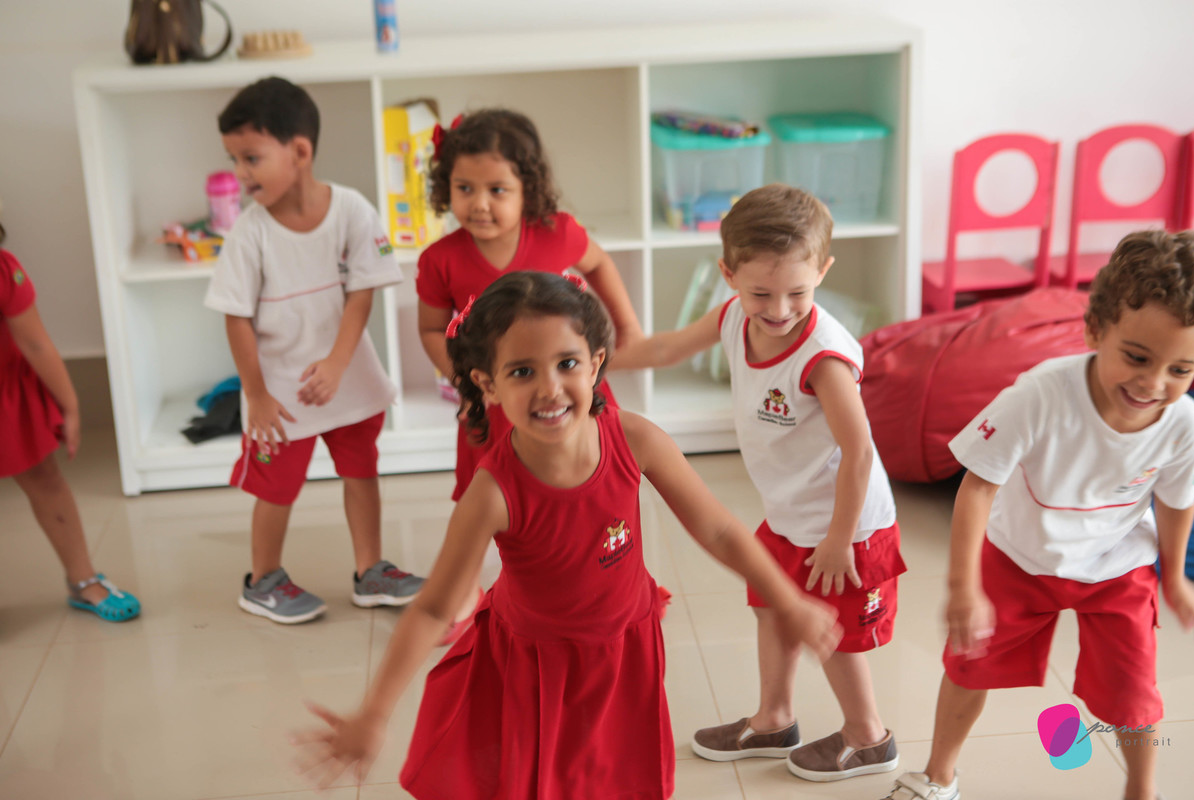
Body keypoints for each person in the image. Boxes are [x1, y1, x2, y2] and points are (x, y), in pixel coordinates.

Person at [293, 271, 841, 799]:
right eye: (522, 371)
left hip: (624, 650)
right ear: (488, 384)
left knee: (617, 779)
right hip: (534, 667)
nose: (550, 388)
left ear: (596, 363)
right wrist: (374, 713)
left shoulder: (636, 440)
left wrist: (788, 600)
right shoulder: (492, 493)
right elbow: (435, 609)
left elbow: (719, 529)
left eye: (567, 363)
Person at [882, 229, 1194, 800]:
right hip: (1019, 555)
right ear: (1095, 330)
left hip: (1117, 567)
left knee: (1135, 695)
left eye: (1181, 370)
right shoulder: (1040, 394)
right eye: (1137, 357)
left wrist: (1173, 578)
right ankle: (939, 775)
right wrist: (963, 585)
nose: (1154, 383)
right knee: (968, 663)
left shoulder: (1183, 424)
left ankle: (1142, 791)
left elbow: (1177, 501)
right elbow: (978, 487)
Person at [610, 184, 906, 782]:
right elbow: (664, 348)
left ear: (822, 271)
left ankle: (868, 736)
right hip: (792, 513)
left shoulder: (823, 357)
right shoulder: (730, 318)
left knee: (835, 633)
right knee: (771, 607)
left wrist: (839, 539)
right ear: (729, 276)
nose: (778, 309)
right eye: (760, 294)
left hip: (846, 525)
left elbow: (859, 452)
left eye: (797, 292)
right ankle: (774, 719)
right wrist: (589, 360)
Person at [414, 107, 647, 639]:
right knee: (478, 494)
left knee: (593, 484)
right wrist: (469, 380)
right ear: (445, 188)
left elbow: (599, 263)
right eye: (464, 188)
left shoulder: (557, 232)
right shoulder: (440, 259)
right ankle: (465, 589)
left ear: (529, 188)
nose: (479, 203)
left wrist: (627, 327)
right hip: (494, 402)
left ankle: (609, 570)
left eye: (497, 189)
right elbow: (430, 329)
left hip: (566, 394)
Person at [204, 76, 424, 624]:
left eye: (251, 158)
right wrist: (255, 395)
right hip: (279, 392)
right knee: (277, 488)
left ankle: (370, 571)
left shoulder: (352, 211)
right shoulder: (249, 234)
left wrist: (338, 363)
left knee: (361, 471)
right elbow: (236, 318)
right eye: (234, 159)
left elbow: (362, 292)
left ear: (299, 152)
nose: (240, 174)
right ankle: (263, 580)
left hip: (345, 377)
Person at [0, 206, 141, 622]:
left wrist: (70, 406)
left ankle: (82, 579)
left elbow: (36, 344)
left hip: (7, 395)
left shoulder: (4, 271)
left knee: (45, 479)